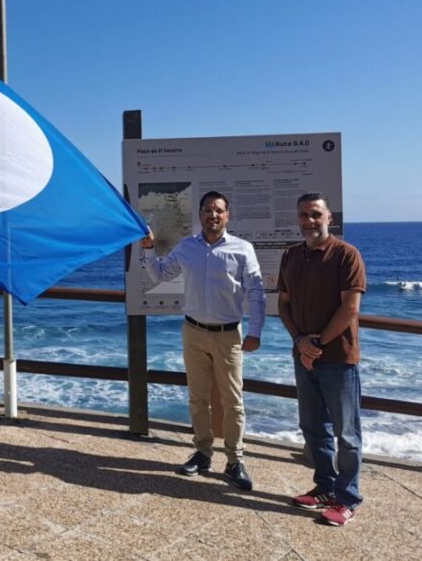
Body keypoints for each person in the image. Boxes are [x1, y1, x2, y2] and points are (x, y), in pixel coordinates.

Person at [140, 190, 265, 490]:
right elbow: (158, 274)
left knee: (233, 401)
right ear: (200, 214)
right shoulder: (187, 248)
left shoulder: (242, 249)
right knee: (197, 398)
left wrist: (255, 332)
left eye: (219, 210)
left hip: (228, 335)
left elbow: (256, 292)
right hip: (193, 331)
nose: (213, 215)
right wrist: (148, 248)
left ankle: (235, 461)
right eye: (208, 210)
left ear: (227, 215)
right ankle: (202, 453)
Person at [277, 193, 366, 527]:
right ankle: (325, 488)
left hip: (339, 359)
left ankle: (348, 499)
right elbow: (283, 304)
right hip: (304, 356)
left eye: (315, 214)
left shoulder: (346, 255)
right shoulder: (290, 256)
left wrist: (317, 343)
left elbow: (351, 308)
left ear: (329, 217)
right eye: (303, 215)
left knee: (347, 433)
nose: (308, 221)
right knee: (313, 427)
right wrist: (301, 341)